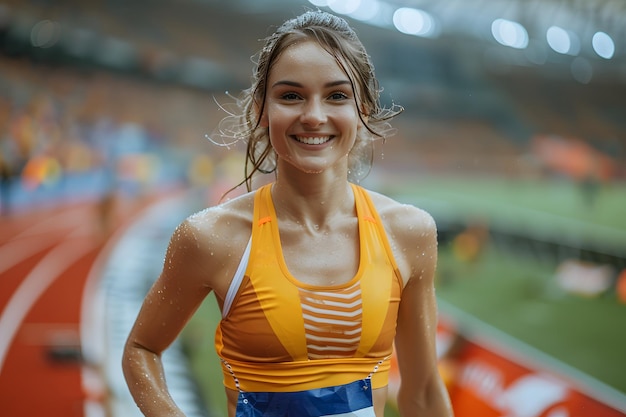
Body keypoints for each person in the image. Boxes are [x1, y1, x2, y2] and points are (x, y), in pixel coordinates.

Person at [122, 10, 454, 417]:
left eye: (336, 95)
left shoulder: (408, 232)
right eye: (291, 95)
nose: (314, 115)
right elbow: (141, 348)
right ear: (262, 109)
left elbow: (421, 391)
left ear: (363, 109)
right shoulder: (211, 238)